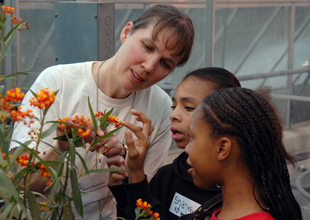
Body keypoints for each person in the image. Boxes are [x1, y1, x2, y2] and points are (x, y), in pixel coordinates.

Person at [9, 4, 194, 220]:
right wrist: (60, 147)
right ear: (126, 32)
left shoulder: (159, 106)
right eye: (148, 47)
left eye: (165, 63)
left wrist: (128, 165)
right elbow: (19, 182)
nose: (150, 66)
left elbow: (143, 203)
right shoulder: (57, 82)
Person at [119, 87, 303, 220]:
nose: (188, 149)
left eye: (193, 138)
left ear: (222, 149)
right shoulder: (211, 211)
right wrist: (135, 171)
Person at [107, 67, 241, 219]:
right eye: (173, 106)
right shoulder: (166, 177)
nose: (173, 115)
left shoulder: (234, 199)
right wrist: (125, 189)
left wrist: (137, 175)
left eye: (189, 108)